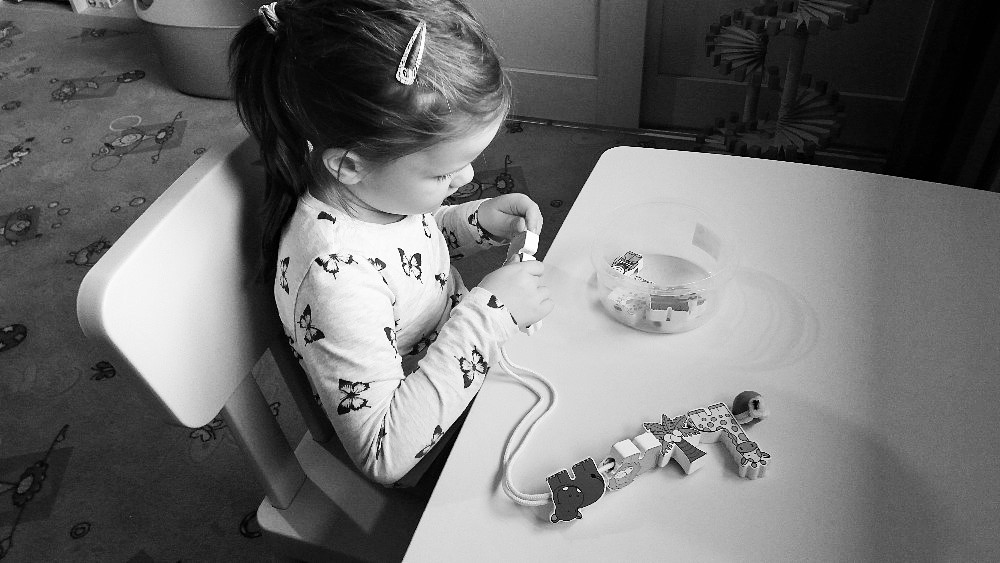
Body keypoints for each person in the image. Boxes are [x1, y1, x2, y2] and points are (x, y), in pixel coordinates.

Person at [229, 0, 553, 487]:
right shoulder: (334, 281)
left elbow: (405, 255)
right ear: (349, 165)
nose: (467, 178)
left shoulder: (374, 195)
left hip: (464, 360)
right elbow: (384, 453)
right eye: (443, 173)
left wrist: (475, 223)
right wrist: (490, 318)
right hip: (427, 441)